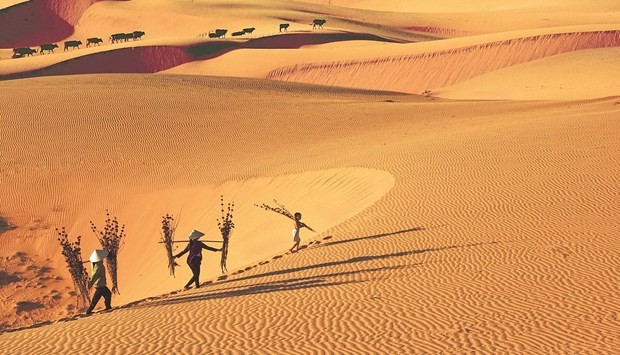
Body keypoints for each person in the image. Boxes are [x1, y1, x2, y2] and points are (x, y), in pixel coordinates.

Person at [86, 249, 112, 315]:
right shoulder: (98, 266)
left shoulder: (97, 264)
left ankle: (89, 311)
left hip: (99, 284)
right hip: (100, 284)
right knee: (107, 294)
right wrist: (91, 282)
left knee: (97, 297)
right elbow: (95, 275)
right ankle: (108, 307)